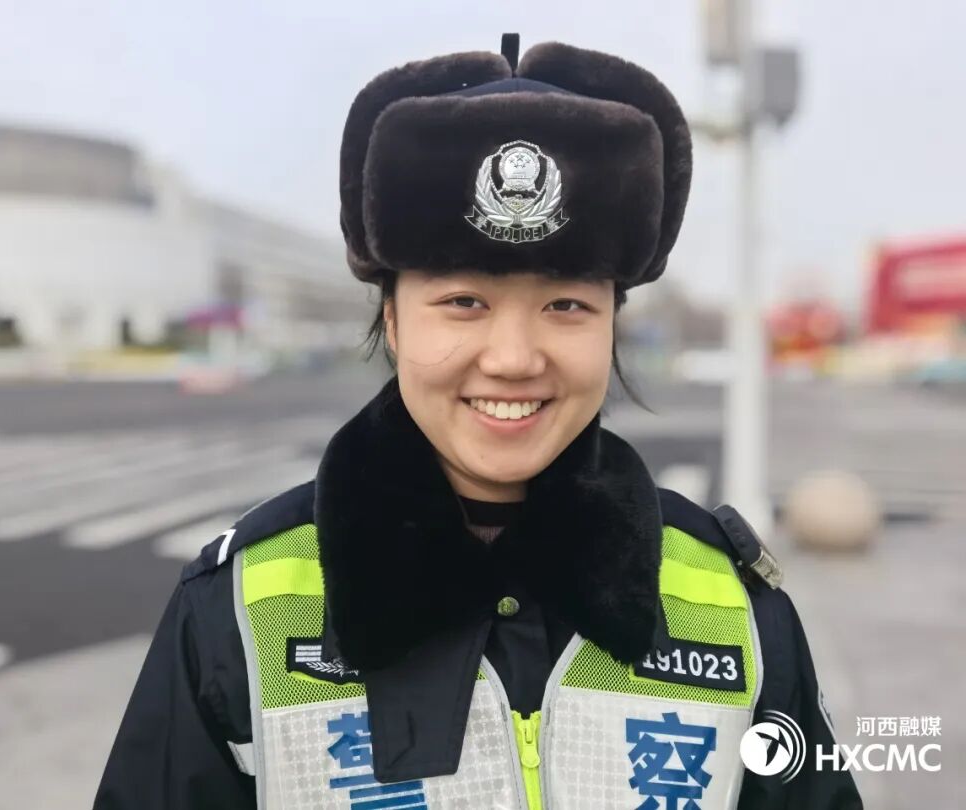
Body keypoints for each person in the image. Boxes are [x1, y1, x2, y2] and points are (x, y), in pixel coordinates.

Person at [94, 35, 864, 810]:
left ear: (612, 326)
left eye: (567, 304)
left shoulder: (735, 608)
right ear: (392, 321)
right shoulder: (237, 611)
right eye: (464, 302)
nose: (514, 359)